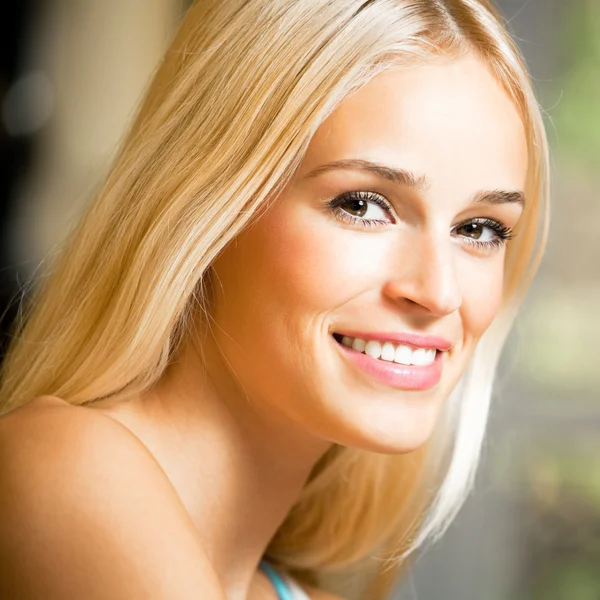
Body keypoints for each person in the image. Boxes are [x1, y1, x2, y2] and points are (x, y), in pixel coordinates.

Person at [0, 0, 549, 598]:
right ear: (208, 205)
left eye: (480, 229)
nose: (438, 291)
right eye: (362, 205)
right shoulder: (61, 465)